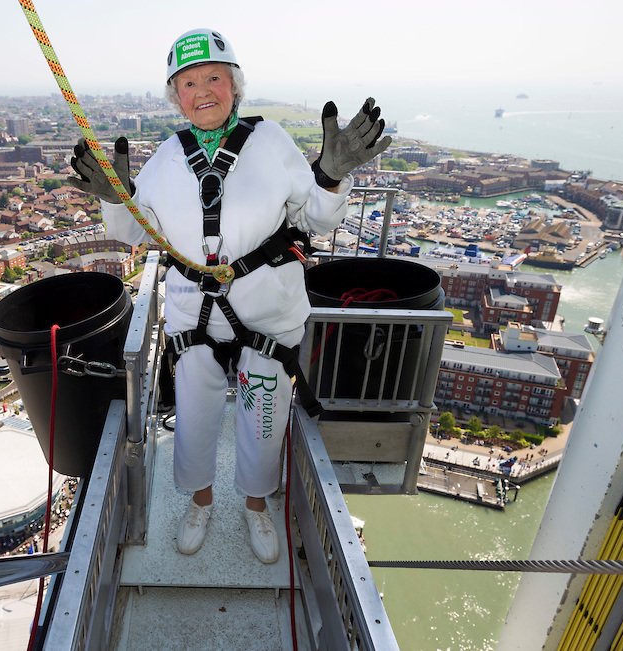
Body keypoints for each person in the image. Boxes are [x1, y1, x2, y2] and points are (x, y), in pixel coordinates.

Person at [69, 28, 391, 564]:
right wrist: (114, 201)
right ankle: (200, 501)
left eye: (213, 77)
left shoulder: (271, 143)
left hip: (266, 314)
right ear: (178, 97)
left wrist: (330, 179)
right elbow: (136, 230)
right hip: (194, 317)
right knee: (193, 418)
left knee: (264, 419)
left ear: (234, 85)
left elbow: (311, 219)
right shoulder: (168, 157)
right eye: (188, 82)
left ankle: (256, 505)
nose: (202, 91)